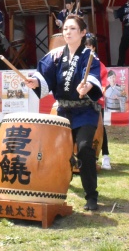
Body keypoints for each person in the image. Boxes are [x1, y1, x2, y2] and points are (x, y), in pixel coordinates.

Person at [27, 15, 103, 210]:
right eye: (66, 29)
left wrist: (86, 87)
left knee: (85, 148)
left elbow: (94, 78)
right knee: (59, 151)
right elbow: (44, 77)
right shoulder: (56, 55)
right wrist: (35, 82)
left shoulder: (89, 56)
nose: (67, 32)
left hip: (85, 110)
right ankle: (57, 185)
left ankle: (91, 196)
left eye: (73, 29)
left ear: (83, 33)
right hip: (63, 111)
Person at [85, 34, 111, 170]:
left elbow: (104, 85)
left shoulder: (98, 65)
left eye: (88, 47)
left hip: (95, 101)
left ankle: (106, 156)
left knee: (100, 128)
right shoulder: (79, 62)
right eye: (84, 46)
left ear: (94, 48)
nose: (86, 49)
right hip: (80, 102)